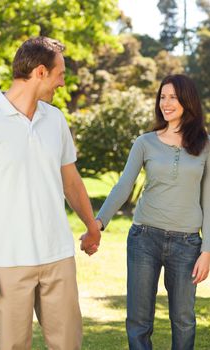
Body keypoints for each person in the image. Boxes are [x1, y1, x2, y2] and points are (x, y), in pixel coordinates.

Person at [0, 36, 100, 350]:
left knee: (67, 345)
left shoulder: (55, 119)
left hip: (57, 256)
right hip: (8, 261)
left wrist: (90, 226)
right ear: (41, 72)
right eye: (60, 73)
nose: (62, 82)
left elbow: (70, 181)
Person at [82, 74, 210, 350]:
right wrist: (99, 223)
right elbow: (123, 186)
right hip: (144, 238)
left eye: (173, 97)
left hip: (187, 244)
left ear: (188, 101)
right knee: (139, 321)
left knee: (184, 320)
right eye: (162, 97)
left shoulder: (205, 145)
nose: (166, 103)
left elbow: (208, 201)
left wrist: (207, 250)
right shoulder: (145, 143)